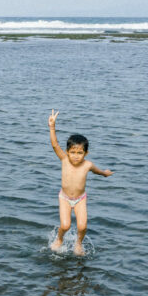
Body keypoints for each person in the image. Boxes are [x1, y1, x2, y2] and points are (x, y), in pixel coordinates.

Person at [47, 110, 113, 256]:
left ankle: (78, 244)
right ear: (67, 151)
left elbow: (97, 171)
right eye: (73, 152)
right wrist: (52, 127)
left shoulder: (87, 165)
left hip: (80, 199)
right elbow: (54, 145)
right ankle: (59, 239)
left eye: (80, 153)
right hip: (64, 198)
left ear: (86, 153)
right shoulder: (64, 159)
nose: (76, 156)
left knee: (82, 227)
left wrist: (105, 173)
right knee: (65, 225)